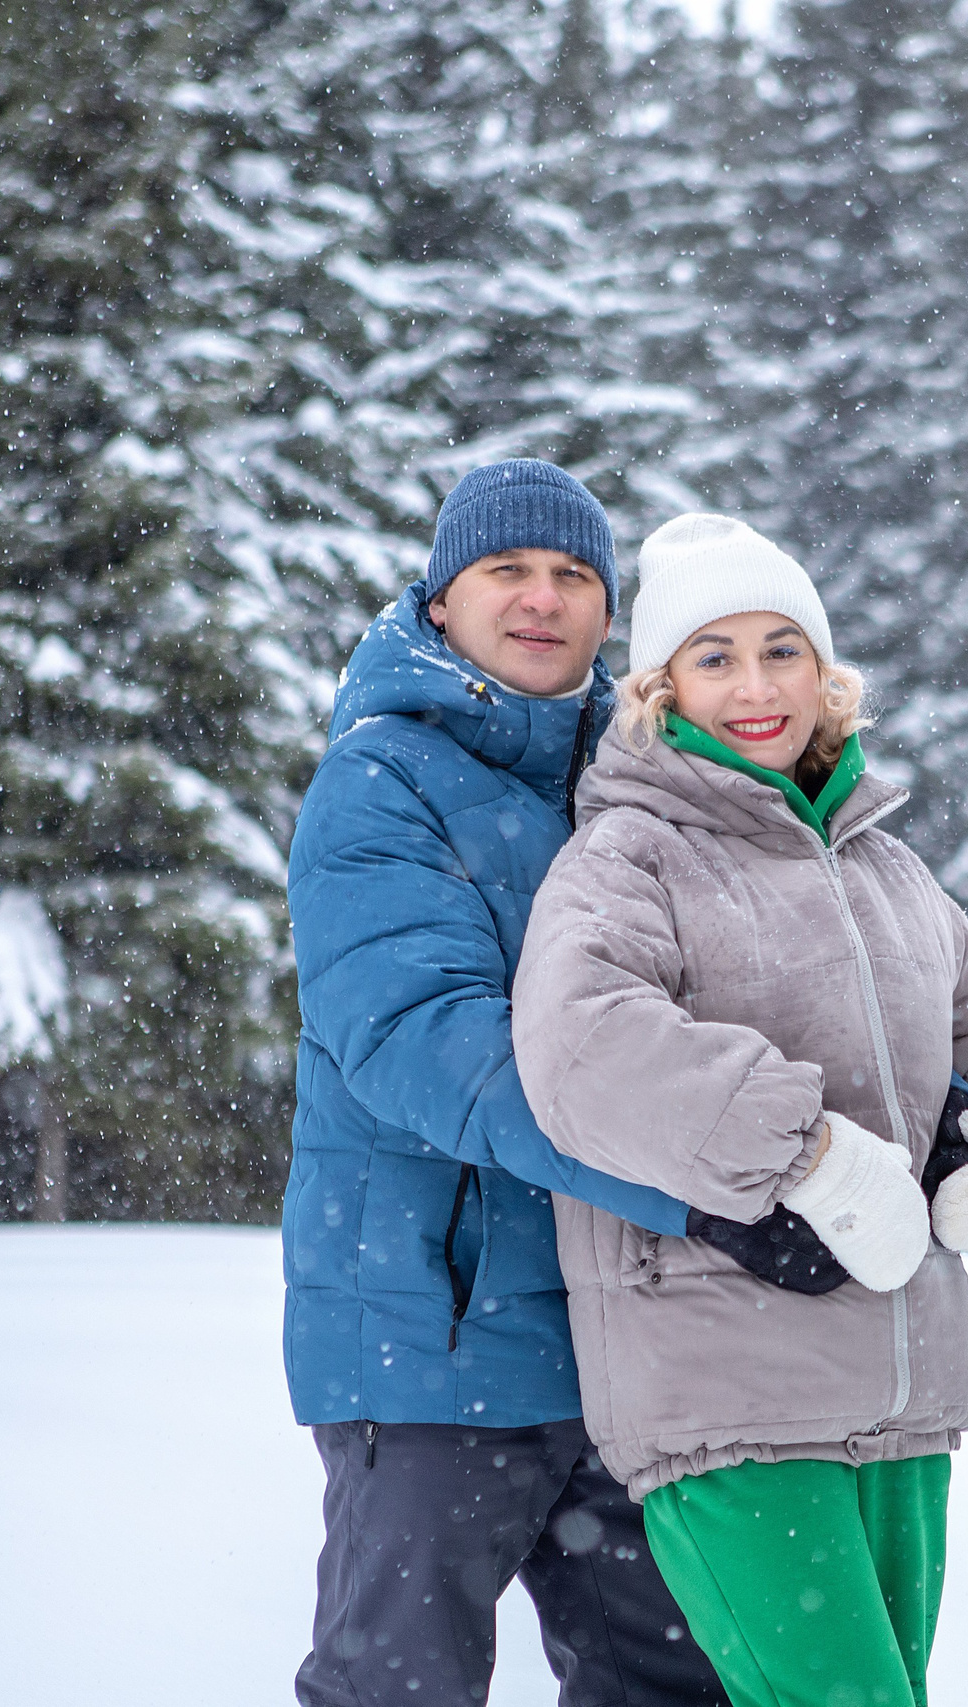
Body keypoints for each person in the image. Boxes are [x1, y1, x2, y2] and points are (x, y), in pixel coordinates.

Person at [511, 513, 968, 1707]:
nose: (754, 685)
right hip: (725, 1398)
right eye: (715, 655)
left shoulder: (887, 868)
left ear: (824, 673)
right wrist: (813, 1156)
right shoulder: (629, 855)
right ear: (660, 687)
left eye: (781, 649)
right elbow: (580, 1049)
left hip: (903, 1397)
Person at [282, 461, 728, 1707]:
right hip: (434, 1346)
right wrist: (709, 1185)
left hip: (620, 1344)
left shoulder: (635, 790)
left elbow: (758, 976)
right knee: (400, 1691)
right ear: (440, 601)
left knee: (678, 1688)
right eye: (506, 571)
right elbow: (430, 1044)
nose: (542, 600)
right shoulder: (381, 779)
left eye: (574, 575)